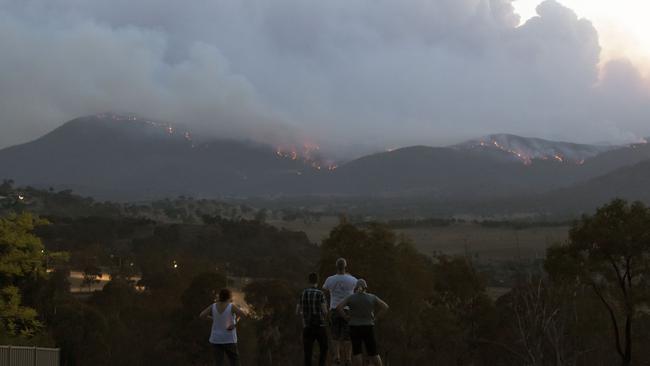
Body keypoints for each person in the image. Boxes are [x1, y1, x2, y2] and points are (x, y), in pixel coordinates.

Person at [336, 279, 389, 366]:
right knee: (373, 352)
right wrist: (376, 318)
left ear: (356, 288)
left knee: (357, 351)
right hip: (368, 327)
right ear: (366, 288)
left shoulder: (351, 297)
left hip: (354, 327)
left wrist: (346, 317)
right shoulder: (372, 297)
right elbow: (385, 307)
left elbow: (339, 307)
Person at [322, 258, 357, 366]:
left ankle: (337, 357)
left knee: (334, 335)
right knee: (348, 337)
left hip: (334, 309)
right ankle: (348, 359)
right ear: (345, 266)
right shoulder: (353, 279)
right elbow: (358, 289)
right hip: (347, 310)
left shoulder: (330, 279)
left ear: (336, 266)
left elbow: (324, 290)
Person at [200, 288, 247, 366]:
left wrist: (213, 319)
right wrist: (235, 323)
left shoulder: (213, 306)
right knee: (234, 361)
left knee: (218, 362)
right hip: (229, 338)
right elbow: (244, 315)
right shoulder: (231, 306)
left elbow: (202, 315)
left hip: (216, 339)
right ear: (229, 297)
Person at [296, 272, 329, 366]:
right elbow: (325, 311)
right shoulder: (320, 293)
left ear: (308, 281)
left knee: (307, 352)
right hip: (320, 325)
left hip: (307, 326)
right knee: (324, 348)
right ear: (317, 281)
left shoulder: (303, 293)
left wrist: (304, 315)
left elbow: (297, 311)